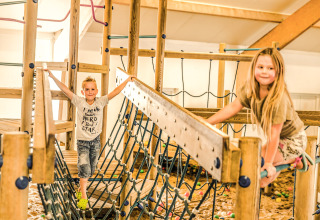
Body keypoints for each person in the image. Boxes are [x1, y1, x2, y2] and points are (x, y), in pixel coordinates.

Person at [206, 47, 313, 188]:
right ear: (254, 68)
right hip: (278, 139)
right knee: (259, 174)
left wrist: (269, 163)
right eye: (260, 67)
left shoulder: (278, 99)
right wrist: (207, 122)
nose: (264, 71)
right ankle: (290, 160)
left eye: (270, 68)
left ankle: (294, 159)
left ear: (278, 71)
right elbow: (233, 107)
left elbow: (274, 134)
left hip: (293, 140)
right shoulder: (251, 89)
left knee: (260, 170)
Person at [46, 69, 136, 209]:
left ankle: (79, 189)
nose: (90, 92)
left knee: (92, 168)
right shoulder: (79, 101)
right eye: (87, 89)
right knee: (84, 167)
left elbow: (115, 92)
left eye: (92, 89)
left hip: (95, 141)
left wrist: (127, 80)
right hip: (82, 142)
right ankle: (83, 194)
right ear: (83, 92)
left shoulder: (100, 101)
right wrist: (53, 76)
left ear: (97, 90)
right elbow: (65, 89)